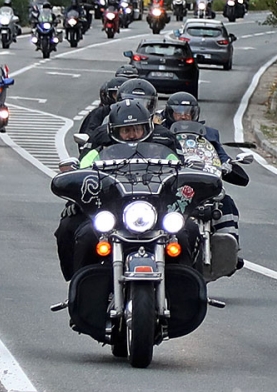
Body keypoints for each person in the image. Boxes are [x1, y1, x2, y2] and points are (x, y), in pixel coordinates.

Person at [54, 100, 182, 280]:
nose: (132, 135)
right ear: (115, 131)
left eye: (137, 129)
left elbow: (182, 169)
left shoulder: (164, 141)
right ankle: (78, 284)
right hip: (110, 211)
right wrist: (76, 195)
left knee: (187, 231)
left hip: (157, 212)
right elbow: (82, 171)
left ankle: (188, 292)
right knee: (73, 230)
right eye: (126, 130)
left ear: (147, 128)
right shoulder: (100, 143)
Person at [162, 92, 243, 271]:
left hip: (202, 182)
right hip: (176, 184)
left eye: (187, 111)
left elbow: (220, 154)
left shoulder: (209, 134)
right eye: (178, 111)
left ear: (195, 113)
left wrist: (227, 163)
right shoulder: (163, 134)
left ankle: (231, 251)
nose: (183, 115)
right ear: (169, 113)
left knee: (226, 202)